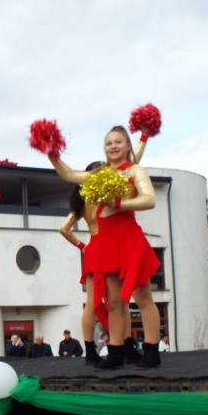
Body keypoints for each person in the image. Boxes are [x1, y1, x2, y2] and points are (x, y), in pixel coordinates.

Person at [50, 126, 162, 368]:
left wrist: (118, 202)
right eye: (109, 142)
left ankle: (152, 352)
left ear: (127, 146)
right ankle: (116, 353)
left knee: (143, 297)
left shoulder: (135, 170)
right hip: (106, 243)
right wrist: (52, 154)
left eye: (118, 142)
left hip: (129, 239)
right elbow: (69, 175)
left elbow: (150, 199)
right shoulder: (99, 175)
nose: (113, 146)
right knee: (113, 302)